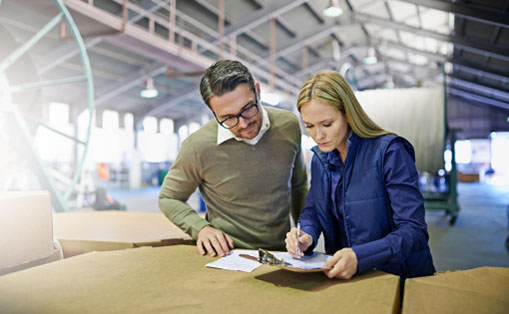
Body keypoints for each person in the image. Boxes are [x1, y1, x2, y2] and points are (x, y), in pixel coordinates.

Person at [285, 70, 435, 280]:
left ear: (347, 113)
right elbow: (313, 209)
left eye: (327, 124)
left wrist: (361, 257)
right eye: (309, 126)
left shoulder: (390, 152)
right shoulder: (322, 159)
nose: (318, 136)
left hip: (399, 277)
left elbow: (414, 231)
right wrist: (306, 235)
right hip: (347, 276)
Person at [159, 60, 308, 257]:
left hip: (281, 253)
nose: (244, 123)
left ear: (257, 91)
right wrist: (201, 229)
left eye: (248, 108)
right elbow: (168, 198)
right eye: (228, 118)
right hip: (228, 256)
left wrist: (304, 230)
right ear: (213, 113)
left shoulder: (288, 125)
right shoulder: (197, 147)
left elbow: (299, 186)